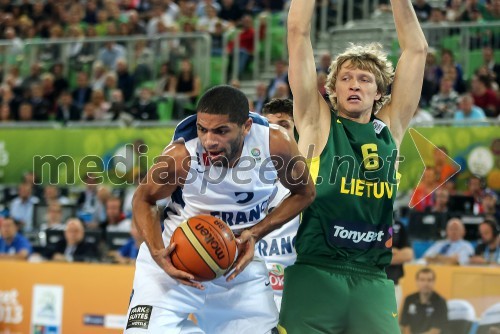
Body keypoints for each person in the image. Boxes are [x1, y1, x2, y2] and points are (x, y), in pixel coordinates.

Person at [280, 0, 427, 332]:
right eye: (346, 78)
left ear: (379, 93)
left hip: (372, 278)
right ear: (333, 90)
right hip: (315, 273)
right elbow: (297, 31)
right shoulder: (316, 122)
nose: (355, 84)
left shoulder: (389, 129)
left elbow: (416, 51)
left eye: (364, 79)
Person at [126, 85, 315, 333]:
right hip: (177, 260)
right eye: (202, 129)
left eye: (221, 131)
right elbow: (143, 198)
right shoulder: (182, 155)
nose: (209, 140)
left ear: (246, 127)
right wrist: (157, 251)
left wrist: (255, 233)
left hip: (235, 266)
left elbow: (305, 193)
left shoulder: (276, 143)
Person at [256, 98, 299, 311]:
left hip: (296, 294)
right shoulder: (238, 179)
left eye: (283, 125)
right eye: (268, 126)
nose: (274, 132)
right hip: (253, 292)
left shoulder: (316, 178)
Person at [400, 267, 448, 334]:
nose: (426, 283)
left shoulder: (441, 302)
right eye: (422, 280)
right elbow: (405, 326)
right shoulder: (409, 299)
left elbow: (436, 331)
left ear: (434, 282)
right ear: (417, 281)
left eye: (429, 280)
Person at [385, 219, 414, 311]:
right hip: (367, 285)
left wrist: (378, 256)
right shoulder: (363, 224)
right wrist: (393, 252)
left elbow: (408, 255)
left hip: (392, 285)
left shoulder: (398, 225)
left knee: (390, 322)